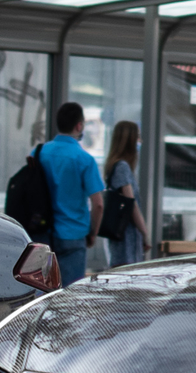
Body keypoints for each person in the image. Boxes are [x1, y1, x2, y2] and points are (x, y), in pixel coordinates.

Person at [37, 102, 105, 282]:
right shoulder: (84, 159)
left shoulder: (39, 153)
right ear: (79, 126)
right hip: (73, 235)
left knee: (41, 293)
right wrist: (92, 233)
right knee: (68, 297)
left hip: (42, 233)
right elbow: (98, 204)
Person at [103, 119, 148, 266]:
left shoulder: (116, 165)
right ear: (129, 141)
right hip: (127, 236)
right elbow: (131, 204)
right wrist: (144, 232)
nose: (140, 141)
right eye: (137, 137)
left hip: (122, 236)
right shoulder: (122, 166)